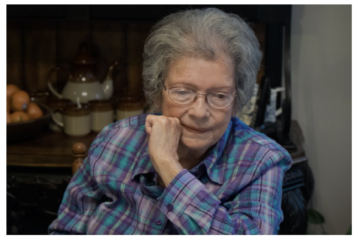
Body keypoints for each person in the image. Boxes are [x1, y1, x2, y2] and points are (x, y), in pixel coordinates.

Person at [49, 8, 292, 234]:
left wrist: (167, 165)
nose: (199, 112)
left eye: (219, 95)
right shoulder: (114, 139)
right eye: (183, 92)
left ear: (237, 98)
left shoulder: (262, 161)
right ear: (157, 90)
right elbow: (66, 230)